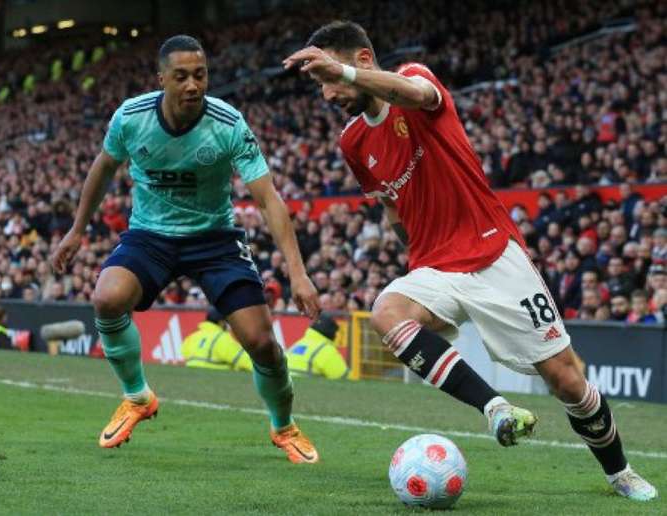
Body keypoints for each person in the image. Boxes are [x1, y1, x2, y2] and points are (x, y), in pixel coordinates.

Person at [284, 20, 656, 499]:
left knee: (567, 381)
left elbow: (414, 94)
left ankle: (619, 472)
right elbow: (391, 204)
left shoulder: (415, 80)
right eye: (320, 85)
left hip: (492, 253)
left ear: (360, 61)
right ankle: (496, 408)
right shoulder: (352, 141)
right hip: (434, 266)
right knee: (387, 311)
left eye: (329, 79)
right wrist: (415, 257)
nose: (327, 95)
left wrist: (345, 75)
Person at [52, 35, 321, 464]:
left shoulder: (228, 123)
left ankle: (283, 426)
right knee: (106, 297)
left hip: (214, 238)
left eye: (200, 75)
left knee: (262, 342)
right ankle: (137, 396)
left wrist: (298, 273)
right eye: (181, 77)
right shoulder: (131, 118)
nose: (193, 85)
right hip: (150, 236)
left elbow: (269, 199)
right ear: (162, 79)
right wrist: (77, 229)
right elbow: (102, 169)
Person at [182, 307, 253, 372]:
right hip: (215, 378)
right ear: (221, 322)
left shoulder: (192, 336)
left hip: (191, 376)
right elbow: (243, 360)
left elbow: (185, 356)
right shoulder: (221, 337)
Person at [287, 312, 348, 379]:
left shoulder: (298, 344)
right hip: (307, 387)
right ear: (332, 334)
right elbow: (343, 378)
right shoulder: (326, 350)